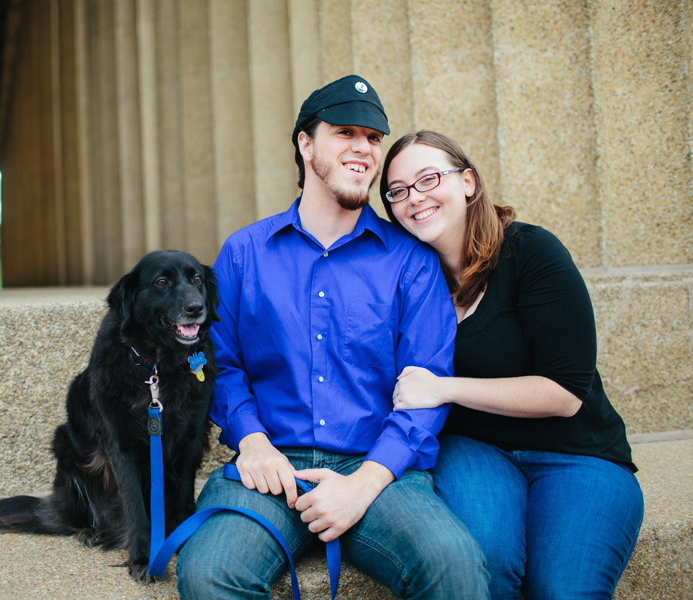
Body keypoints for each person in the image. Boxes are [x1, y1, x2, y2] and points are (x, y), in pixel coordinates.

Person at [175, 77, 489, 599]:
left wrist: (366, 482)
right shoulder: (244, 253)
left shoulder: (411, 261)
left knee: (455, 566)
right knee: (209, 573)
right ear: (306, 143)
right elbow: (218, 362)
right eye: (345, 132)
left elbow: (427, 385)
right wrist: (251, 439)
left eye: (372, 138)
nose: (364, 149)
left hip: (379, 468)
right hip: (269, 467)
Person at [379, 130, 644, 600]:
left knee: (564, 589)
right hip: (476, 451)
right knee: (486, 567)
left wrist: (445, 387)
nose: (413, 198)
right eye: (397, 191)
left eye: (428, 179)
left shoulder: (530, 252)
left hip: (577, 454)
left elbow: (564, 394)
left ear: (468, 182)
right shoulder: (409, 279)